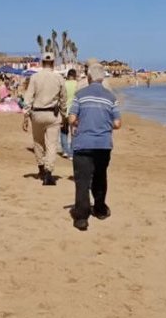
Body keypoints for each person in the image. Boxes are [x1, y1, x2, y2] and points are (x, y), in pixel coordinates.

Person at [68, 63, 121, 231]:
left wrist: (79, 122)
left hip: (83, 143)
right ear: (102, 78)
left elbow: (71, 118)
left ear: (89, 78)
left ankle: (82, 217)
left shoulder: (80, 95)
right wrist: (104, 125)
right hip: (103, 145)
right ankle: (99, 209)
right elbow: (118, 123)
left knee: (82, 180)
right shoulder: (111, 97)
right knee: (100, 177)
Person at [22, 52, 67, 185]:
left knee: (38, 142)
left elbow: (28, 98)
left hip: (37, 114)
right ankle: (48, 172)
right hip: (53, 115)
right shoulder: (59, 78)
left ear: (42, 63)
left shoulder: (35, 77)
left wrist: (25, 116)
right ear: (53, 63)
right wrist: (64, 115)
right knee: (51, 145)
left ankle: (41, 168)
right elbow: (63, 99)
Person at [60, 69, 78, 159]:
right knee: (73, 132)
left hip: (64, 110)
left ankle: (65, 151)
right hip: (74, 111)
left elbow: (60, 97)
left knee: (64, 131)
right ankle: (71, 153)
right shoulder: (77, 85)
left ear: (68, 75)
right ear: (75, 75)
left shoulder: (64, 84)